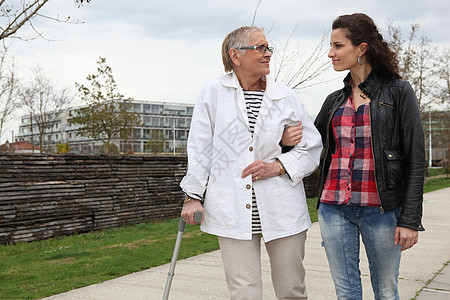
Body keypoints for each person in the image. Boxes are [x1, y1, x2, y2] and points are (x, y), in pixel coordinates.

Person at [180, 26, 322, 299]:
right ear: (235, 55)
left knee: (292, 289)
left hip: (283, 209)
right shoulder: (213, 93)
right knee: (244, 292)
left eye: (268, 48)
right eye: (260, 48)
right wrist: (192, 195)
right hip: (231, 207)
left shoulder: (287, 97)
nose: (268, 54)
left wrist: (277, 166)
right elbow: (200, 147)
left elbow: (311, 147)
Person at [314, 13, 425, 299]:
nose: (330, 53)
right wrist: (284, 141)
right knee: (346, 293)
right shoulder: (334, 101)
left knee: (386, 292)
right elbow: (310, 149)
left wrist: (410, 219)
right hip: (334, 207)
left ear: (361, 48)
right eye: (331, 46)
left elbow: (415, 159)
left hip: (382, 211)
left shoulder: (398, 92)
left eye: (338, 46)